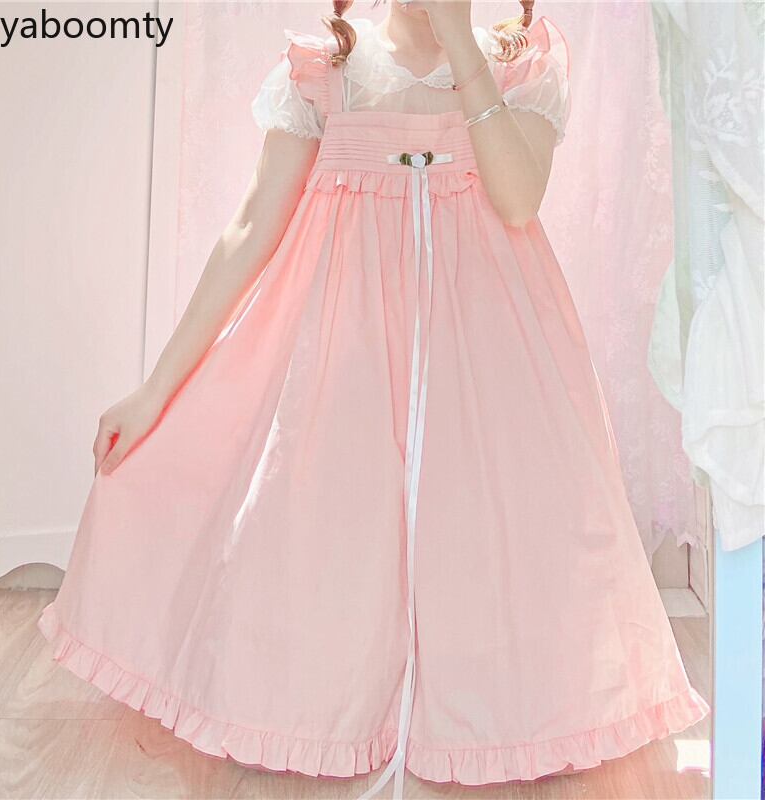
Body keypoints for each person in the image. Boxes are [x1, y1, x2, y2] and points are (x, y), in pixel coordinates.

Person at [38, 1, 709, 797]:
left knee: (485, 539)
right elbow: (250, 230)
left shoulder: (519, 62)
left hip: (492, 365)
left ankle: (486, 719)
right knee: (332, 535)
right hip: (346, 358)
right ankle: (319, 710)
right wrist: (154, 391)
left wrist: (459, 40)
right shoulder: (326, 69)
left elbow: (518, 197)